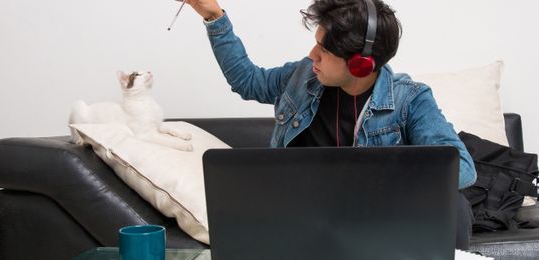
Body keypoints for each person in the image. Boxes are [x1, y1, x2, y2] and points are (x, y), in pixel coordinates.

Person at [182, 0, 476, 250]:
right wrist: (213, 15)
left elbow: (461, 168)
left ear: (360, 65)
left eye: (324, 49)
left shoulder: (409, 99)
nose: (312, 55)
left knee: (458, 207)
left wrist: (385, 185)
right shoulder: (302, 77)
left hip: (373, 219)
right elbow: (247, 81)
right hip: (299, 213)